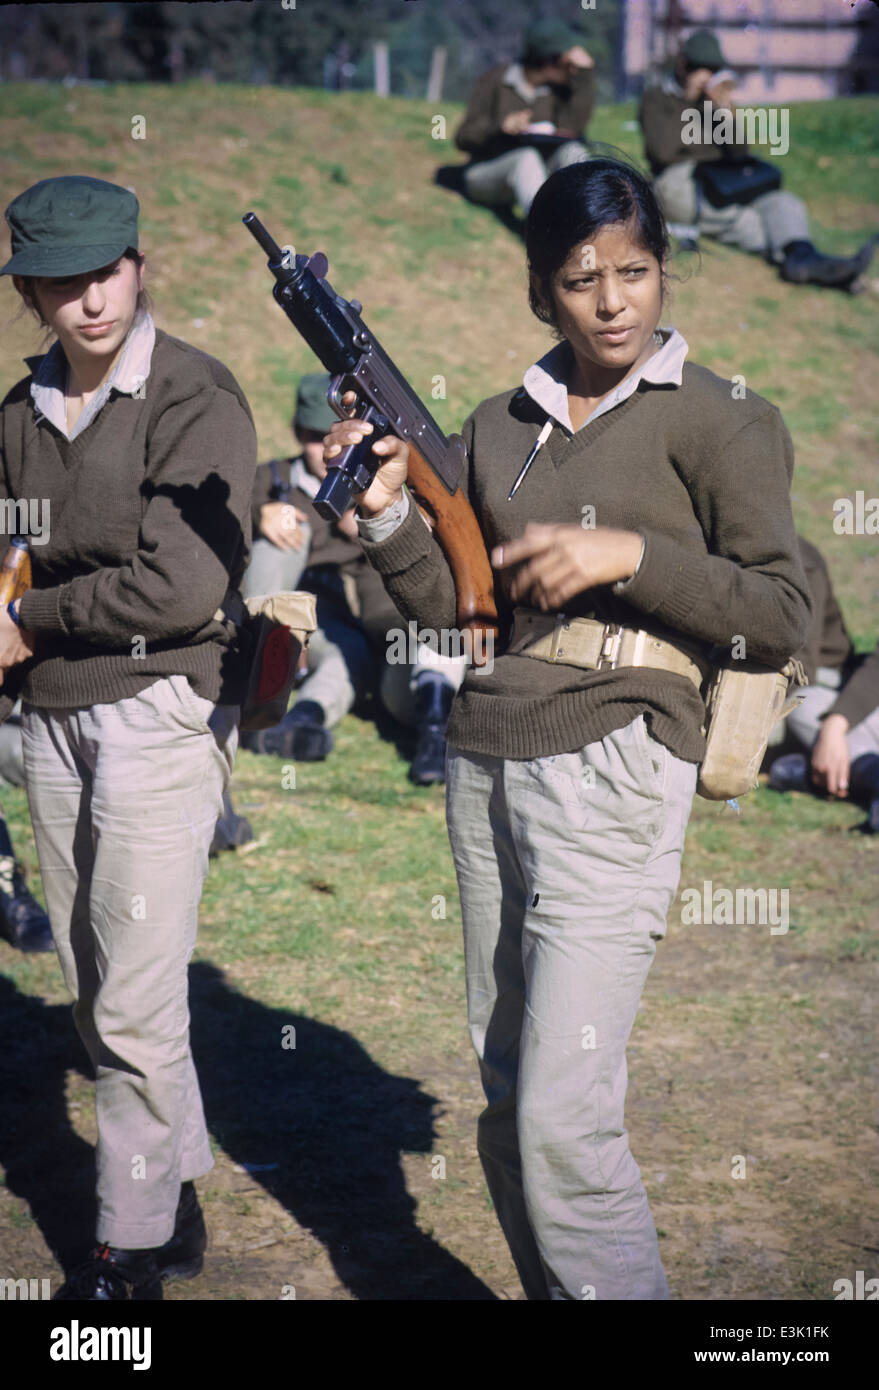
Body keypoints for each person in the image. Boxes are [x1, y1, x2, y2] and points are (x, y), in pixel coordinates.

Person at [324, 158, 811, 1299]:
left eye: (635, 272)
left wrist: (633, 557)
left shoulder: (728, 420)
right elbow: (459, 607)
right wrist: (394, 510)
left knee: (562, 1119)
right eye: (583, 278)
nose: (613, 301)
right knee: (507, 1102)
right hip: (488, 756)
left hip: (622, 753)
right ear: (542, 288)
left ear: (662, 271)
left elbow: (786, 616)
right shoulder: (499, 427)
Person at [0, 175, 257, 1298]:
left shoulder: (197, 396)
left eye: (108, 271)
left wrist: (29, 615)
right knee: (98, 972)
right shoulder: (15, 418)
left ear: (140, 265)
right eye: (64, 282)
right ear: (31, 295)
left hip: (160, 707)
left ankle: (128, 1247)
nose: (91, 301)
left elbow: (182, 583)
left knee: (134, 998)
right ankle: (174, 1188)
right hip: (48, 718)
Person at [241, 374, 465, 785]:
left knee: (429, 636)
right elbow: (212, 521)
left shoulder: (384, 487)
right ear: (296, 433)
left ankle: (435, 731)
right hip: (301, 622)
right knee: (291, 535)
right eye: (313, 436)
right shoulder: (270, 480)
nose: (323, 448)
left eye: (333, 433)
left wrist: (377, 517)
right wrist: (257, 516)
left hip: (382, 639)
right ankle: (269, 702)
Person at [639, 28, 875, 289]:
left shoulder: (714, 104)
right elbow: (663, 150)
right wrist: (689, 101)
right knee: (749, 223)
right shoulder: (657, 99)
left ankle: (809, 262)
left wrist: (725, 112)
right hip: (681, 182)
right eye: (699, 67)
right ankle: (813, 264)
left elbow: (740, 152)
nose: (706, 74)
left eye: (713, 68)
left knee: (784, 203)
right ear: (683, 66)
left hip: (720, 180)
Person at [767, 536, 879, 830]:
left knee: (801, 705)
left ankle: (821, 775)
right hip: (813, 696)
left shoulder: (799, 559)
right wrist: (834, 726)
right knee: (806, 707)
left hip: (806, 687)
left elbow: (797, 669)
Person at [454, 19, 596, 219]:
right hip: (487, 172)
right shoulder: (496, 81)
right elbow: (463, 138)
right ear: (549, 63)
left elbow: (572, 128)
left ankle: (589, 223)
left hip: (539, 175)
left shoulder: (559, 89)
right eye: (569, 64)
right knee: (526, 157)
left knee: (574, 152)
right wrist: (499, 126)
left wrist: (584, 77)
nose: (573, 71)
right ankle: (546, 235)